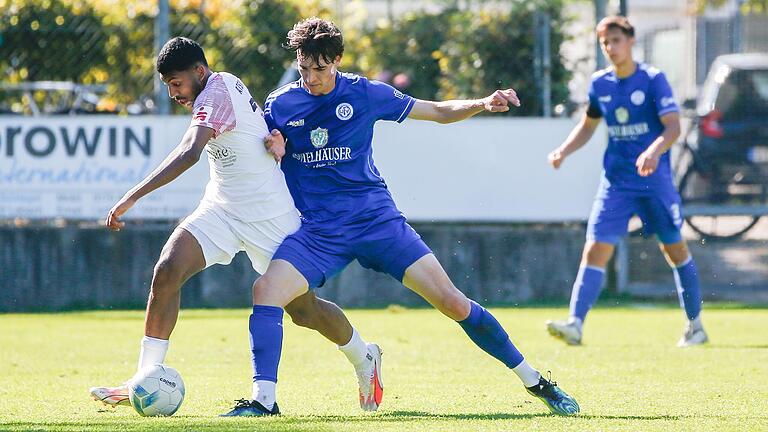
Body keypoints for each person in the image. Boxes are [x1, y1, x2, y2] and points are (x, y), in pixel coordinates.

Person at [220, 17, 579, 417]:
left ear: (337, 60)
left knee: (452, 302)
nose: (311, 78)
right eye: (304, 68)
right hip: (320, 231)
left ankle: (536, 381)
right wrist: (273, 145)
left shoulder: (365, 93)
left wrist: (480, 103)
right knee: (266, 291)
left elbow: (437, 111)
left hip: (377, 221)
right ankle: (263, 402)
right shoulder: (280, 102)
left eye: (319, 69)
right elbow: (260, 148)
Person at [89, 37, 385, 413]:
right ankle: (143, 379)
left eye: (177, 83)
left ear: (199, 71)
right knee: (167, 270)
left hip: (270, 217)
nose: (174, 93)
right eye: (168, 86)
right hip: (222, 210)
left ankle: (364, 356)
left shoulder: (218, 89)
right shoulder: (211, 93)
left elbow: (189, 152)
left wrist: (132, 196)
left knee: (305, 312)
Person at [545, 16, 707, 347]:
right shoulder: (600, 84)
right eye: (605, 42)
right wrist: (563, 150)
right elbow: (588, 127)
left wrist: (653, 151)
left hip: (654, 182)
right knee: (595, 249)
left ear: (631, 41)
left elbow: (673, 127)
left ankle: (695, 326)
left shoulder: (652, 80)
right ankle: (575, 323)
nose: (611, 48)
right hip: (616, 182)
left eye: (616, 40)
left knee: (675, 249)